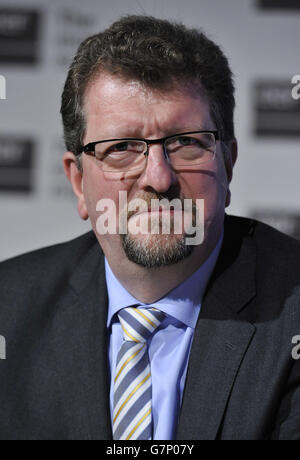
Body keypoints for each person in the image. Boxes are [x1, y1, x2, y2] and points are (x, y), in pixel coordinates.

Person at [0, 15, 300, 441]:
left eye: (186, 143)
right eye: (122, 148)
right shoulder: (8, 310)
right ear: (79, 183)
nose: (158, 179)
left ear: (227, 165)